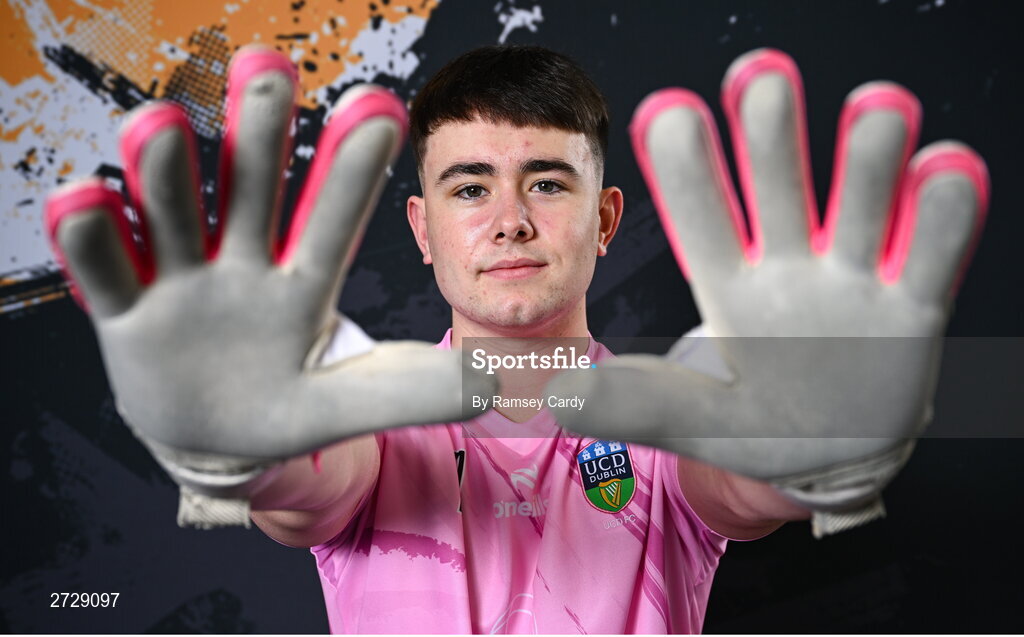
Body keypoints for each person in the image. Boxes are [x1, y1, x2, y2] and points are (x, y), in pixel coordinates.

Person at [44, 42, 987, 633]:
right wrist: (239, 451)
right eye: (467, 187)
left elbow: (737, 484)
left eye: (546, 180)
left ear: (606, 215)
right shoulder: (357, 417)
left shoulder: (679, 420)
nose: (508, 221)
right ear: (421, 229)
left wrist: (806, 453)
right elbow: (306, 488)